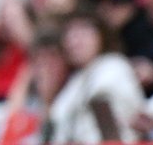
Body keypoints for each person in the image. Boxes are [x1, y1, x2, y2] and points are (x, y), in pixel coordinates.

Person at [47, 10, 145, 143]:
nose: (74, 41)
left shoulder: (113, 65)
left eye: (83, 32)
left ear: (101, 34)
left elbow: (114, 129)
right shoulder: (74, 80)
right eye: (69, 34)